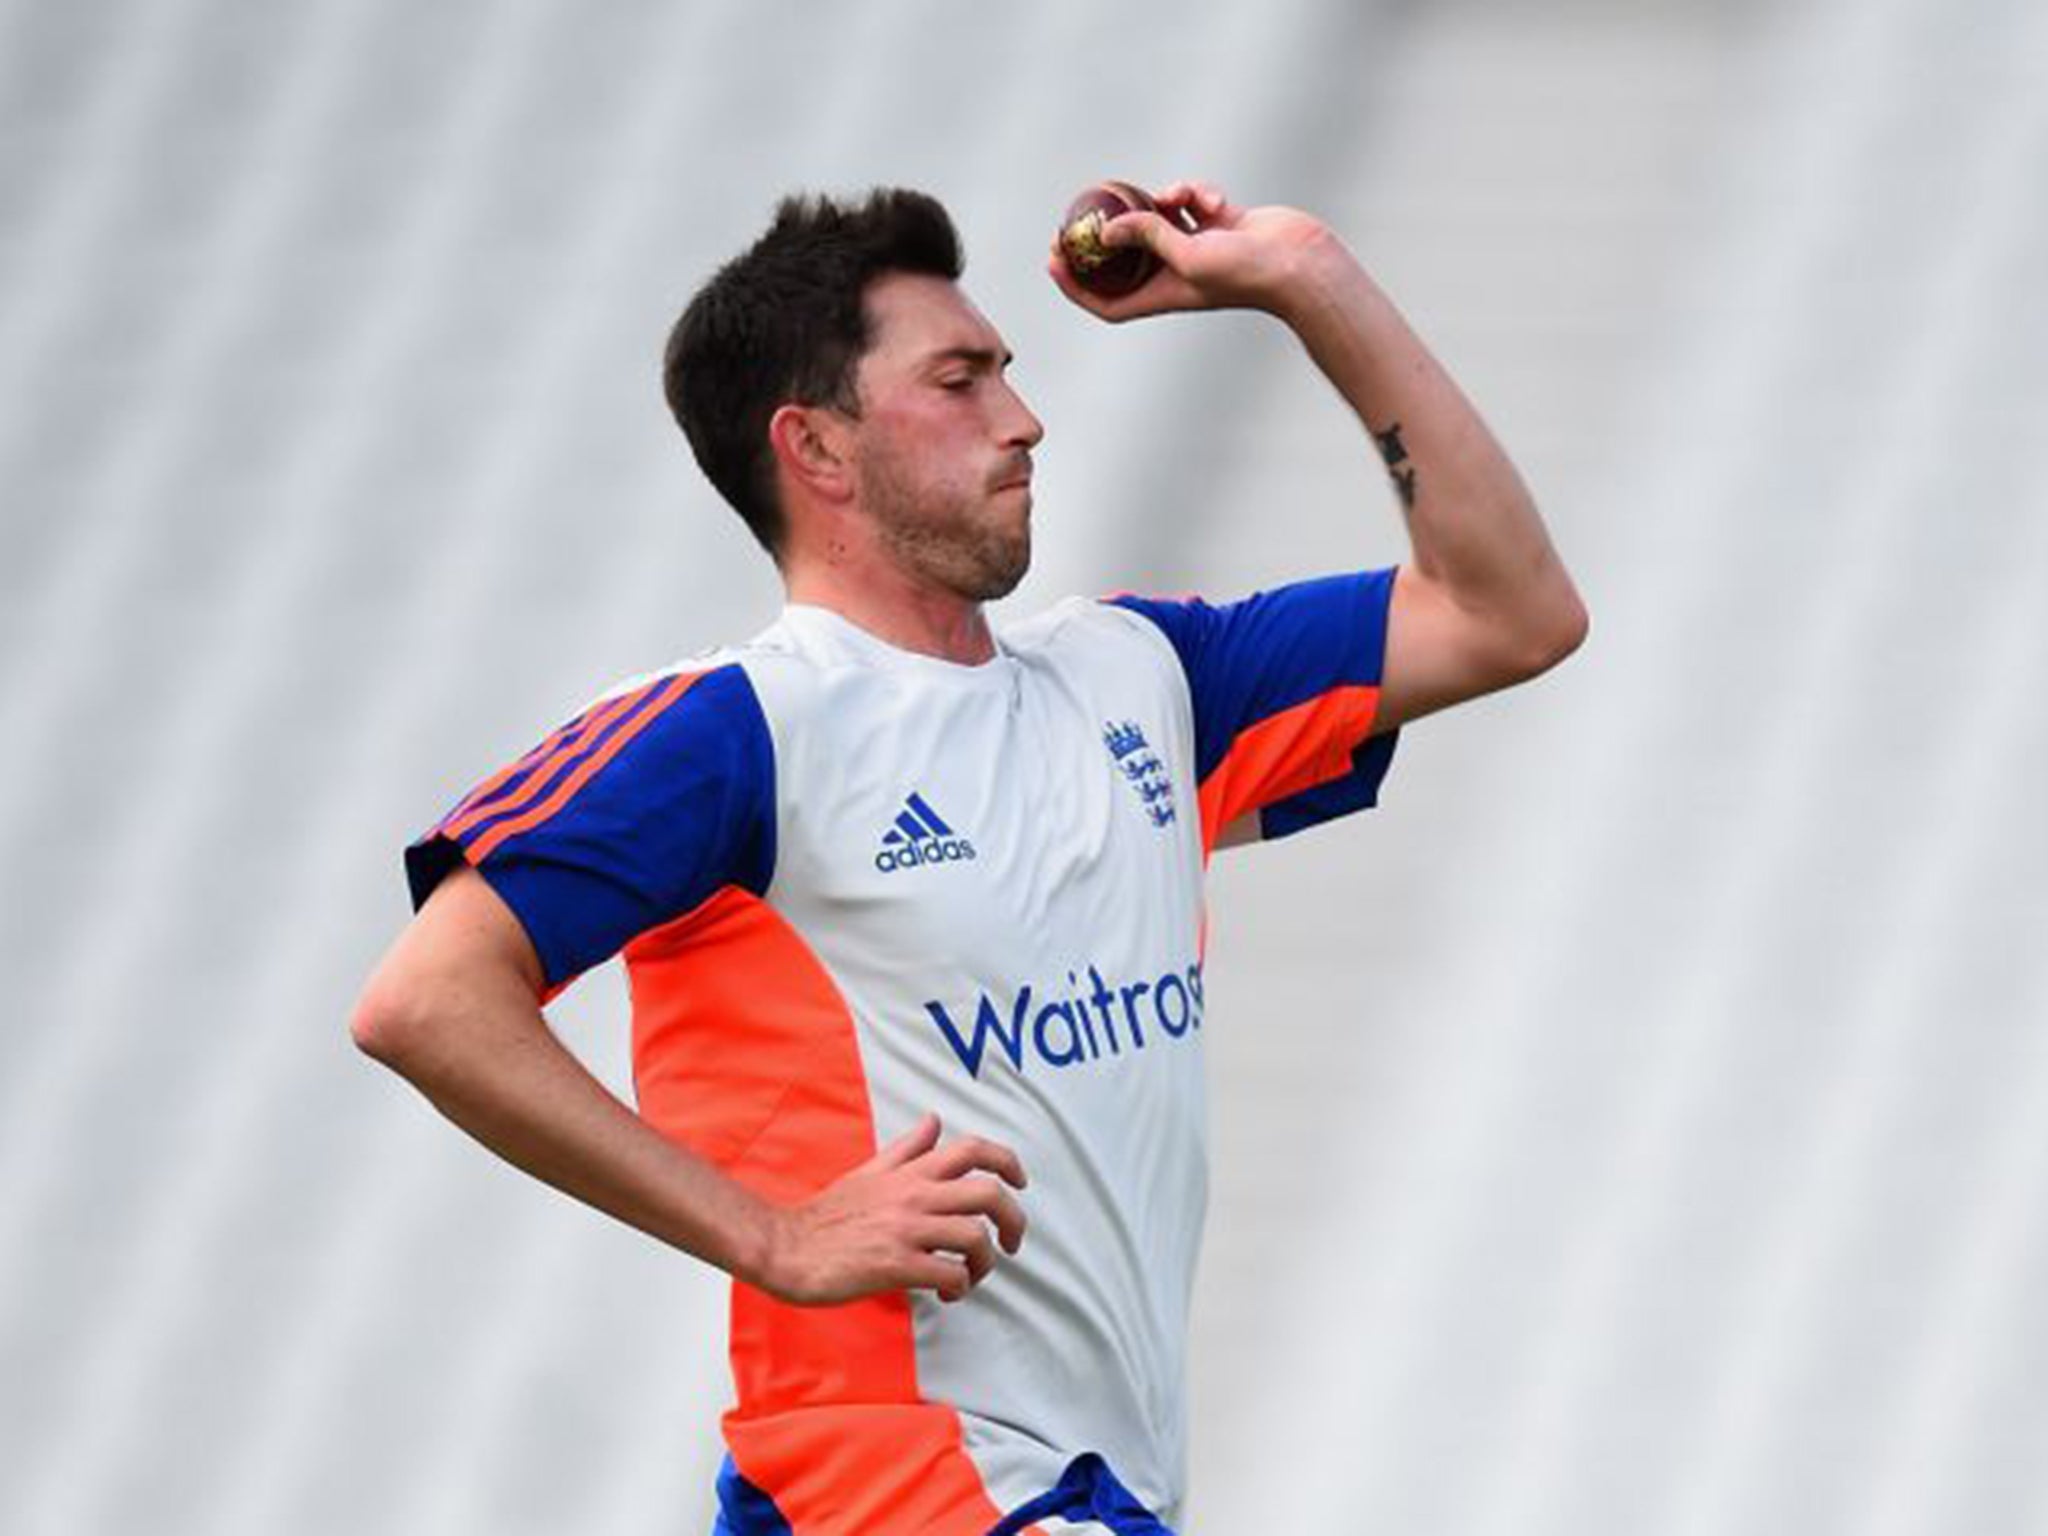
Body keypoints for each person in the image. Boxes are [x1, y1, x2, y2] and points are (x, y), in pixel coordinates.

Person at [351, 181, 1586, 1535]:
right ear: (815, 447)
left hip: (1084, 1488)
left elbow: (1508, 613)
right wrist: (777, 1238)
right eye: (962, 380)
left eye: (1008, 370)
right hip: (903, 1483)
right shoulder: (740, 728)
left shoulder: (1145, 677)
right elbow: (426, 1000)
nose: (1025, 416)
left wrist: (1306, 276)